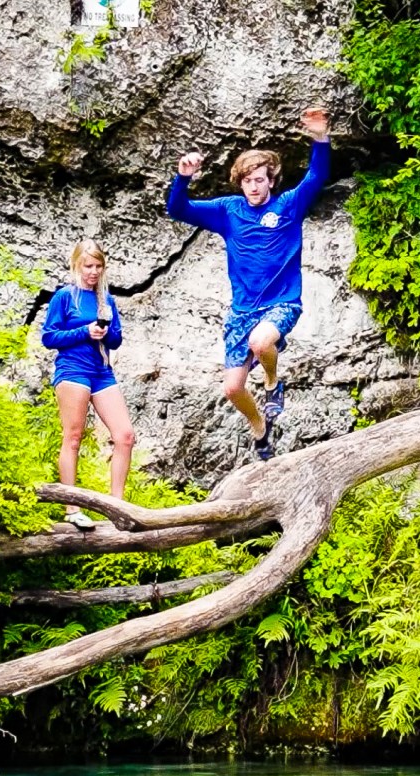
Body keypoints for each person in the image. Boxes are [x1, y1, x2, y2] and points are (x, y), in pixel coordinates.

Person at [166, 108, 332, 460]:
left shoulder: (289, 205)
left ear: (271, 180)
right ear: (239, 183)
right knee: (232, 388)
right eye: (247, 181)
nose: (254, 187)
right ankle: (259, 426)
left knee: (261, 342)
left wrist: (320, 136)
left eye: (259, 180)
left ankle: (272, 381)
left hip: (282, 303)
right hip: (242, 311)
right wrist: (183, 178)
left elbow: (317, 175)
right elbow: (178, 210)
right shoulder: (229, 210)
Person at [42, 240, 136, 529]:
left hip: (101, 371)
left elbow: (116, 340)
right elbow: (49, 337)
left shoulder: (105, 299)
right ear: (77, 265)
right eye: (88, 266)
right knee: (73, 436)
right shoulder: (65, 297)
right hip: (73, 370)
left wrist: (105, 331)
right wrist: (84, 331)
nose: (93, 272)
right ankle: (72, 509)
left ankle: (117, 506)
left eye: (98, 266)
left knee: (125, 436)